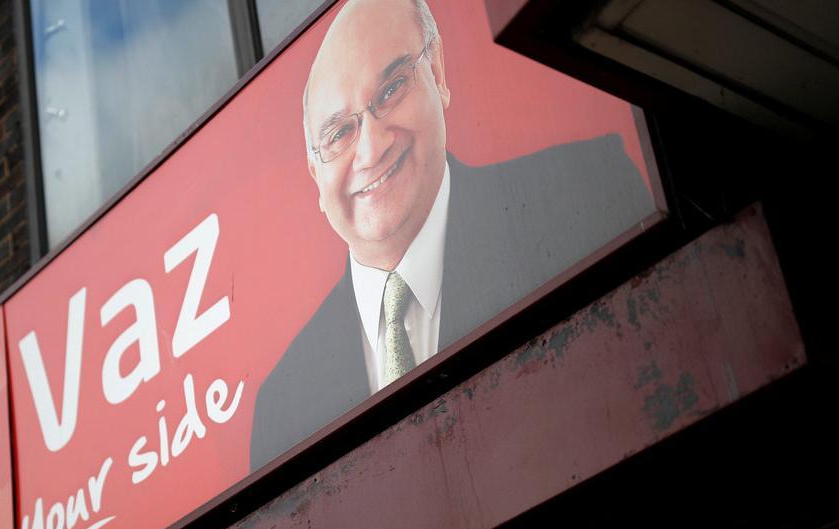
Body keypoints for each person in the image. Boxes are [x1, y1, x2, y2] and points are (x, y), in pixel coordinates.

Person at [250, 0, 654, 470]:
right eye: (339, 133)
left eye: (392, 89)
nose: (372, 147)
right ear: (314, 176)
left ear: (437, 73)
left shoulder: (583, 190)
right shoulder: (281, 405)